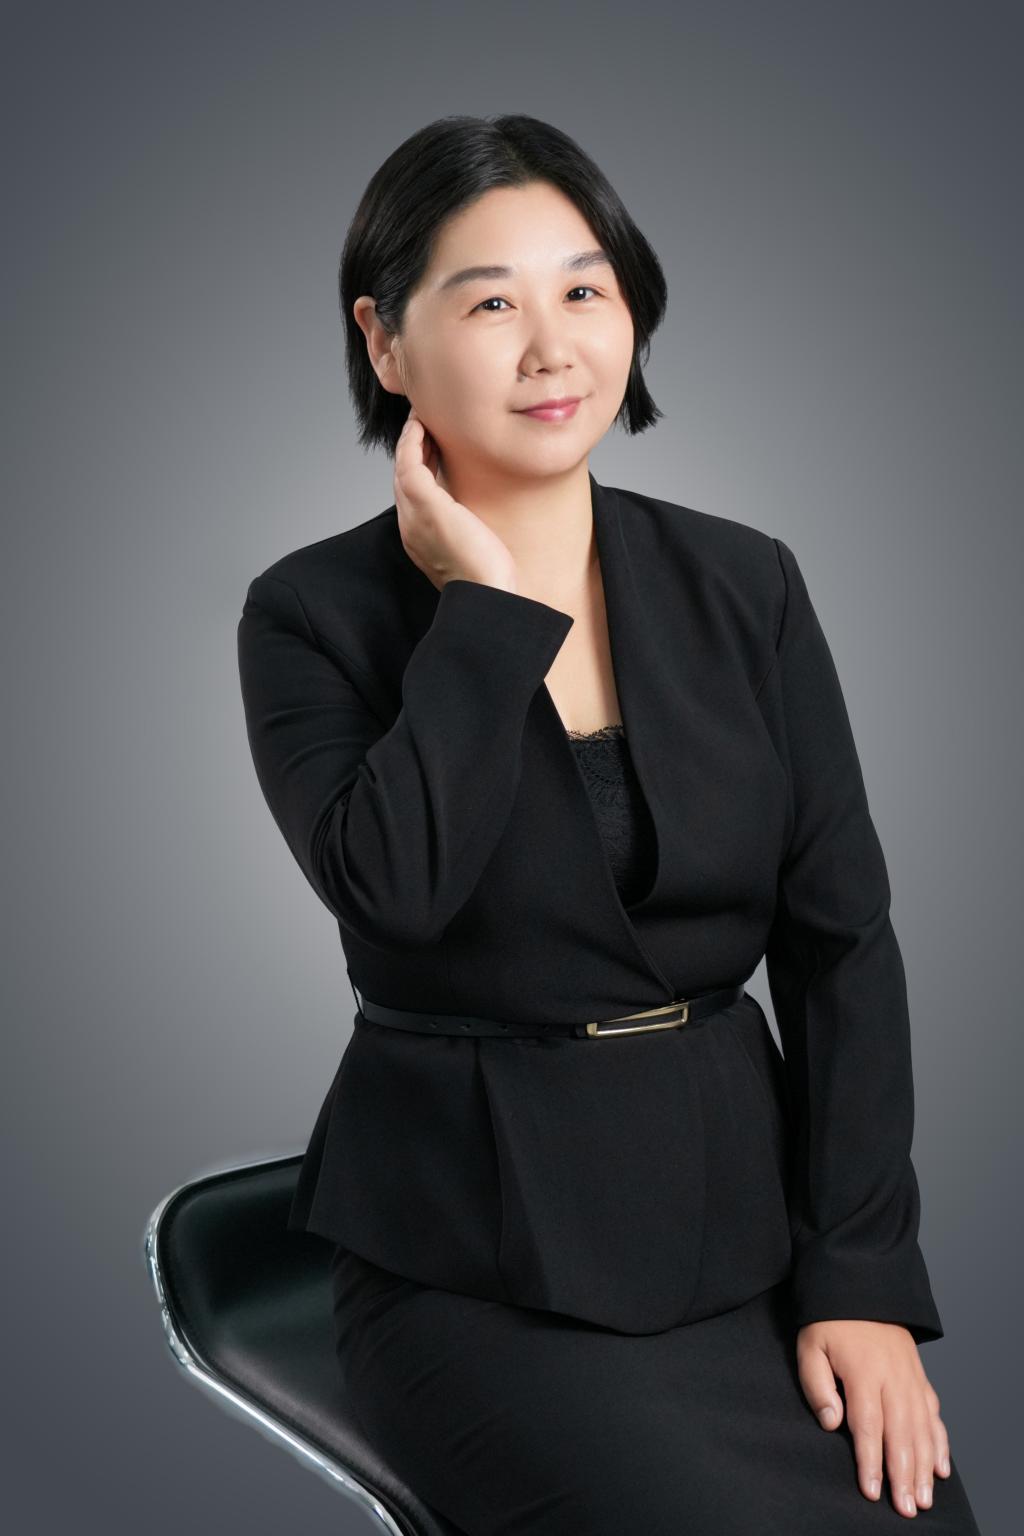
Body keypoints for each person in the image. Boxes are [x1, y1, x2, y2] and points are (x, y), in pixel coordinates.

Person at [236, 114, 981, 1534]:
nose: (552, 347)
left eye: (584, 289)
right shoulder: (309, 615)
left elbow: (842, 948)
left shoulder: (745, 584)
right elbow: (394, 890)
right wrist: (487, 607)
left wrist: (863, 1282)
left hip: (750, 1248)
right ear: (385, 344)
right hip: (476, 1269)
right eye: (490, 304)